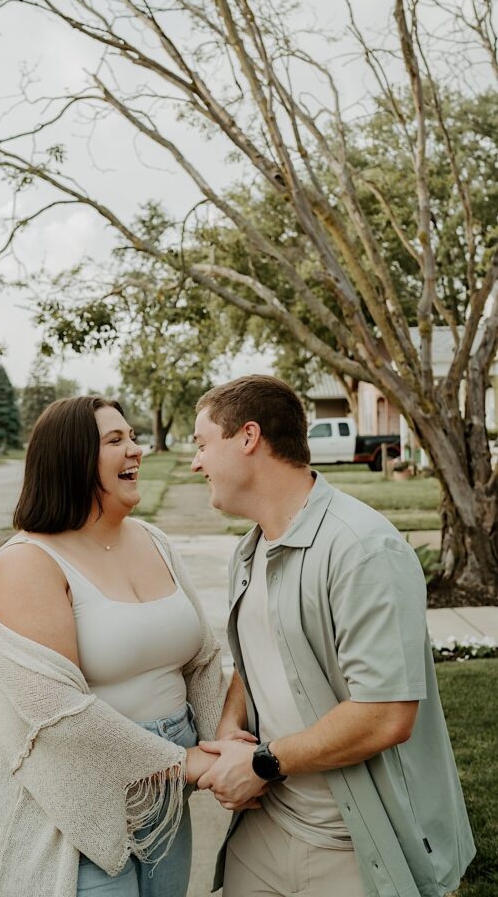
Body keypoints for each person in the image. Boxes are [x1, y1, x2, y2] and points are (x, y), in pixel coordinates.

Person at [190, 375, 475, 897]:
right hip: (267, 831)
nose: (196, 462)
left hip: (357, 843)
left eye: (203, 443)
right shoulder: (249, 552)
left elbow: (385, 715)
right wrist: (231, 724)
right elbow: (259, 656)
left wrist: (260, 763)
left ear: (248, 437)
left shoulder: (362, 550)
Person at [0, 395, 227, 897]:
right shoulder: (26, 562)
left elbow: (203, 661)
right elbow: (58, 713)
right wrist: (183, 763)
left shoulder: (154, 540)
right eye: (116, 441)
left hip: (165, 801)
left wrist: (225, 742)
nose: (136, 450)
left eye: (133, 437)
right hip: (72, 803)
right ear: (72, 458)